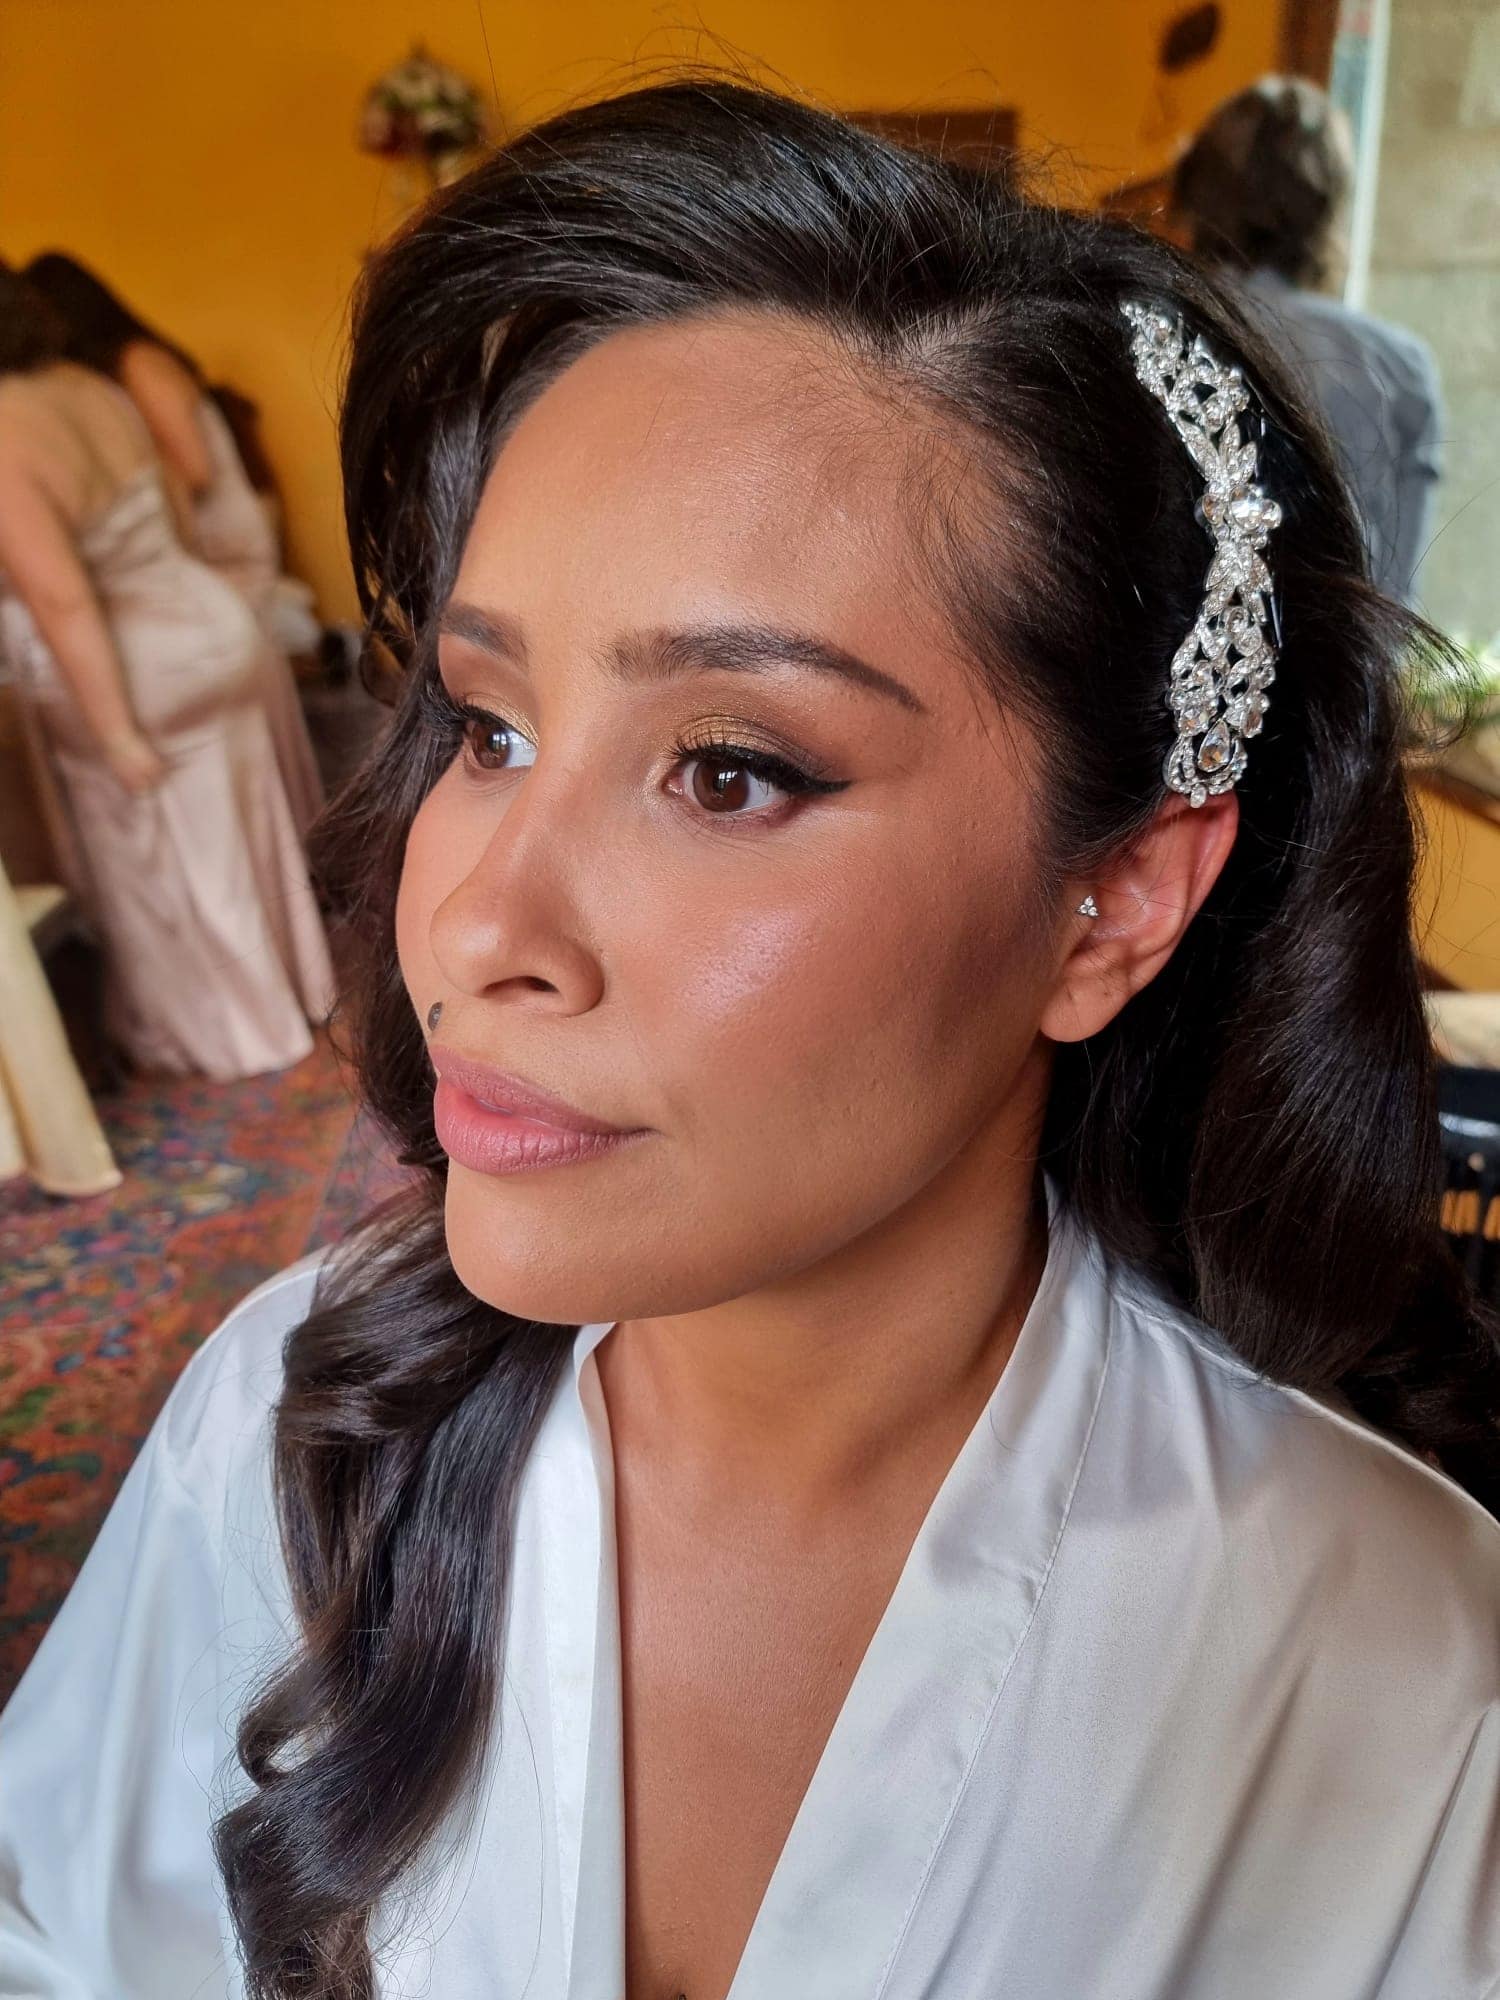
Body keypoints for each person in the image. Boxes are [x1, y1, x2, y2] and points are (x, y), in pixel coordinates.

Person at [1, 81, 1497, 2000]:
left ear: (1113, 900)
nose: (469, 924)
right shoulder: (287, 1441)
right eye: (488, 727)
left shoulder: (1388, 1665)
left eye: (728, 769)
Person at [0, 265, 332, 1081]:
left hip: (134, 665)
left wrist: (116, 734)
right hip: (209, 624)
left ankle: (238, 1032)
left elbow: (61, 598)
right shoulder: (85, 383)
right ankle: (300, 989)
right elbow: (178, 517)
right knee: (243, 832)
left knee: (157, 858)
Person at [25, 253, 324, 830]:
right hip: (200, 546)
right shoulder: (103, 383)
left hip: (227, 543)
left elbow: (194, 471)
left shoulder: (139, 364)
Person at [1173, 76, 1444, 606]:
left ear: (1197, 195)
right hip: (1344, 684)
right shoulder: (1401, 368)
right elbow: (1393, 608)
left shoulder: (1151, 332)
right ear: (1329, 208)